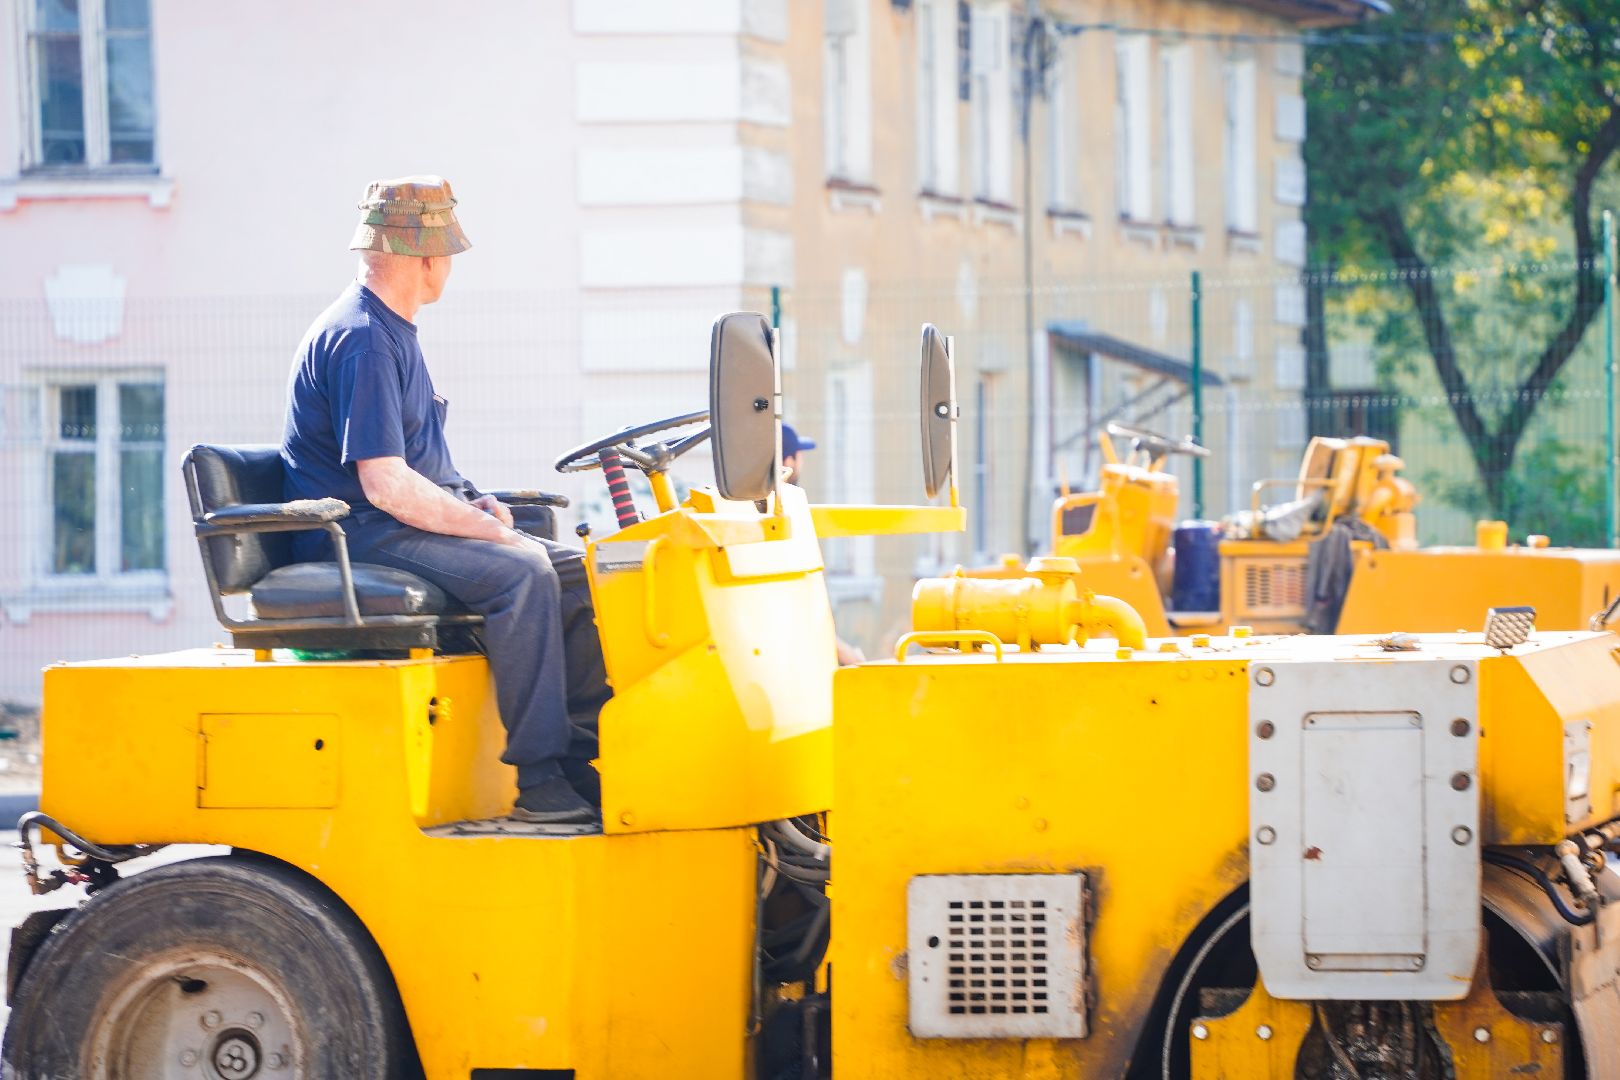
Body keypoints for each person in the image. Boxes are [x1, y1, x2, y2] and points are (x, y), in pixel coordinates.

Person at [280, 176, 606, 825]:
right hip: (358, 534)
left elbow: (417, 462)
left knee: (579, 573)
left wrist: (472, 502)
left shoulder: (393, 330)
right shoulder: (364, 339)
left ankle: (581, 757)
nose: (450, 268)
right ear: (423, 258)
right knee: (522, 574)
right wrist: (486, 533)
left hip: (390, 524)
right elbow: (385, 484)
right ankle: (539, 782)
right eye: (447, 255)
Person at [780, 423, 865, 666]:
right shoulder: (787, 516)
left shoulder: (750, 506)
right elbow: (802, 612)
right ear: (789, 462)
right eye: (800, 456)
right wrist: (848, 656)